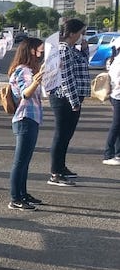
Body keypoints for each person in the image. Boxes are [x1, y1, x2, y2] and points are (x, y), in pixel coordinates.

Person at [48, 18, 90, 186]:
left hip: (71, 97)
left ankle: (61, 167)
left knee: (66, 136)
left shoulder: (71, 48)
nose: (83, 36)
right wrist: (74, 101)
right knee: (61, 135)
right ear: (72, 33)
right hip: (64, 98)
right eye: (81, 33)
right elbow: (66, 78)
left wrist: (84, 50)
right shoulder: (64, 49)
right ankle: (55, 173)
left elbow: (83, 64)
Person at [7, 38, 45, 209]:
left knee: (25, 160)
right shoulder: (23, 70)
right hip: (25, 118)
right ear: (31, 50)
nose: (41, 53)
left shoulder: (29, 69)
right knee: (20, 161)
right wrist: (37, 81)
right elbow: (25, 94)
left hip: (31, 117)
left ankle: (23, 193)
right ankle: (16, 198)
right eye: (39, 49)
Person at [102, 52, 120, 166]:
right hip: (118, 96)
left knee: (118, 126)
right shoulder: (118, 62)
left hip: (116, 96)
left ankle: (117, 153)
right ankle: (108, 154)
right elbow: (117, 82)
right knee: (116, 125)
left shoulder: (116, 60)